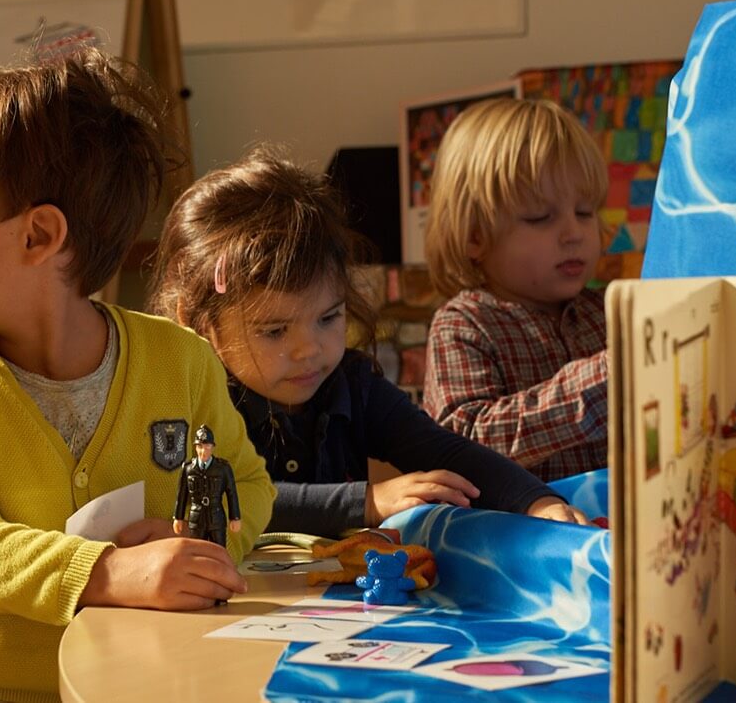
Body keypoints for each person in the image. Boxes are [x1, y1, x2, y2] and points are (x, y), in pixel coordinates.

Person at [0, 51, 275, 702]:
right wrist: (110, 573)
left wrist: (199, 548)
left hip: (136, 679)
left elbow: (250, 485)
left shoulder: (181, 359)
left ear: (38, 237)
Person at [147, 147, 586, 538]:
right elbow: (228, 498)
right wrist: (367, 502)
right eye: (275, 331)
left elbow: (446, 450)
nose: (309, 349)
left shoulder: (354, 384)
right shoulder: (189, 402)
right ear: (197, 322)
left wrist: (535, 501)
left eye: (328, 318)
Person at [421, 97, 610, 482]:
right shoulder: (464, 324)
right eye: (540, 217)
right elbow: (464, 443)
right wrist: (595, 388)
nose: (574, 233)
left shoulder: (608, 311)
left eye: (586, 211)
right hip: (512, 534)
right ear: (475, 235)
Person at [173, 424, 242, 547]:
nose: (203, 451)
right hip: (196, 518)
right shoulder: (188, 468)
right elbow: (182, 494)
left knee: (219, 551)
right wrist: (178, 517)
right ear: (195, 447)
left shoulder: (222, 468)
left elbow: (232, 493)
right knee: (198, 551)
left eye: (207, 446)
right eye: (200, 446)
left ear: (212, 447)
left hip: (216, 517)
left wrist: (235, 517)